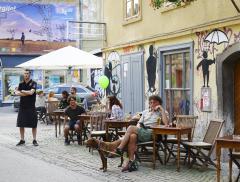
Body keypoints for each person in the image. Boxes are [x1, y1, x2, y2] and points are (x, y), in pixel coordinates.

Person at [115, 95, 169, 172]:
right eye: (150, 102)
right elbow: (139, 124)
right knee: (133, 136)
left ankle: (120, 148)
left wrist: (161, 109)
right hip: (142, 131)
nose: (152, 104)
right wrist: (137, 130)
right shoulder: (145, 112)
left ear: (159, 103)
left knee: (130, 127)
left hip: (153, 133)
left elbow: (166, 123)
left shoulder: (163, 112)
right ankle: (131, 162)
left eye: (154, 102)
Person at [15, 69, 38, 146]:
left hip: (31, 107)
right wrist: (25, 92)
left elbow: (31, 92)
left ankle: (34, 140)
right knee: (21, 123)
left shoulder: (33, 83)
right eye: (25, 73)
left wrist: (23, 91)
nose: (26, 75)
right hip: (22, 107)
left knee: (33, 124)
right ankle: (22, 140)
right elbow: (17, 92)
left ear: (29, 74)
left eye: (27, 73)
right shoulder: (21, 83)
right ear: (23, 75)